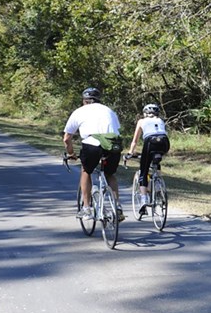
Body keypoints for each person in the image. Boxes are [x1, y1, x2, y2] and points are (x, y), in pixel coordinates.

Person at [63, 87, 125, 222]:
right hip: (113, 146)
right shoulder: (109, 110)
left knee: (86, 171)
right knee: (110, 174)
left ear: (84, 101)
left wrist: (71, 153)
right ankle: (118, 207)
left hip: (91, 144)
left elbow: (67, 138)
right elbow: (116, 129)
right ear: (98, 99)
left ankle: (86, 209)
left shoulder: (79, 111)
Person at [125, 103, 170, 215]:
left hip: (150, 142)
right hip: (164, 142)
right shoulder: (160, 120)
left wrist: (130, 153)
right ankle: (158, 184)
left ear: (145, 113)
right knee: (156, 159)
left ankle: (144, 200)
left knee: (143, 172)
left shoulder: (141, 121)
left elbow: (135, 141)